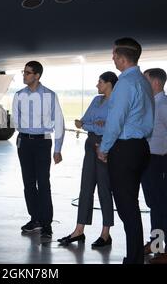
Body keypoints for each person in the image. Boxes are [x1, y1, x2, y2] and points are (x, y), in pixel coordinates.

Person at [96, 37, 154, 264]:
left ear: (121, 58)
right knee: (131, 206)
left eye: (113, 55)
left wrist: (104, 147)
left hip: (125, 149)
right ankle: (135, 256)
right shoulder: (143, 81)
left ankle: (134, 259)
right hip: (140, 147)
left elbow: (115, 120)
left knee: (127, 208)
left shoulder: (126, 84)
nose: (112, 58)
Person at [58, 72, 117, 247]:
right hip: (91, 143)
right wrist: (95, 124)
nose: (97, 85)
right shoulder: (96, 100)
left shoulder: (117, 103)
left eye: (100, 82)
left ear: (109, 83)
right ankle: (79, 230)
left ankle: (106, 233)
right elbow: (81, 122)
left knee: (104, 190)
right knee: (85, 188)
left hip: (105, 145)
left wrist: (94, 124)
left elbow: (111, 127)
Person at [12, 61, 65, 238]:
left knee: (43, 183)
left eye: (27, 73)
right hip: (24, 142)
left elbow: (59, 122)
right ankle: (35, 218)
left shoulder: (50, 95)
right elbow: (16, 121)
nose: (24, 75)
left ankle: (46, 223)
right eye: (24, 72)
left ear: (37, 76)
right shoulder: (19, 95)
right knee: (28, 183)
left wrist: (57, 149)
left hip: (43, 143)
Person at [141, 68, 167, 264]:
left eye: (145, 80)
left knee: (165, 206)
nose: (142, 83)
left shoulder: (165, 106)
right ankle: (156, 244)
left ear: (156, 83)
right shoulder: (151, 104)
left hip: (163, 160)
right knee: (154, 205)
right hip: (150, 161)